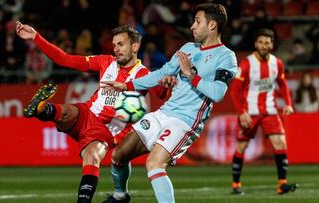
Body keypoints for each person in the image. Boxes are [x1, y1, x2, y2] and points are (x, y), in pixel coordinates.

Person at [16, 22, 167, 203]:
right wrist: (36, 37)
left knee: (92, 156)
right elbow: (65, 59)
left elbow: (160, 93)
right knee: (66, 111)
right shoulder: (106, 61)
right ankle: (42, 109)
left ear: (135, 46)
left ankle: (84, 201)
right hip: (88, 112)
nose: (116, 49)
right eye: (114, 45)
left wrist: (165, 83)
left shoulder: (143, 74)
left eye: (121, 44)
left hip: (108, 129)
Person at [101, 3, 237, 202]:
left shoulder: (226, 57)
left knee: (154, 163)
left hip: (185, 121)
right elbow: (163, 73)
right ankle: (120, 196)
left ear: (212, 26)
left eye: (197, 21)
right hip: (163, 113)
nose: (192, 26)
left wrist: (191, 75)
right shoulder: (188, 48)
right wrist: (127, 86)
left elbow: (217, 93)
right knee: (118, 156)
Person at [230, 28, 298, 195]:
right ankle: (236, 185)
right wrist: (242, 112)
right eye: (260, 42)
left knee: (280, 143)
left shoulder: (277, 63)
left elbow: (282, 84)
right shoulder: (246, 64)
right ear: (255, 44)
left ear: (272, 44)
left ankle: (282, 184)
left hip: (270, 111)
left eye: (267, 42)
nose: (263, 45)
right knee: (242, 146)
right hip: (249, 113)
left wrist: (288, 103)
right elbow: (235, 91)